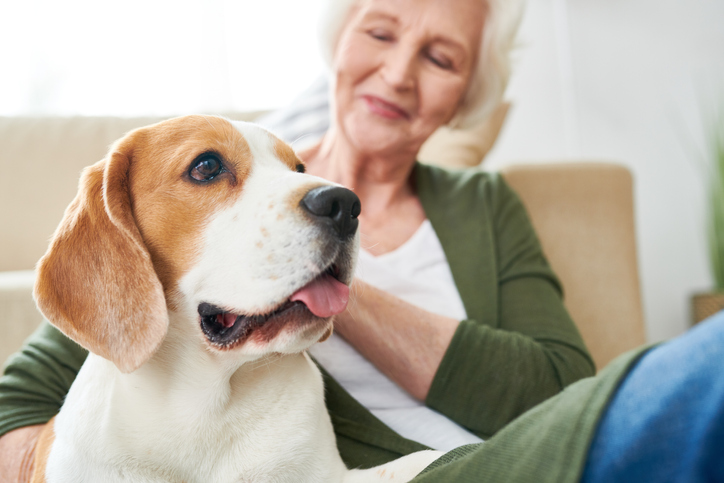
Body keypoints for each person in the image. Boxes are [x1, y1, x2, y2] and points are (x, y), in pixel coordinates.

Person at [0, 0, 602, 479]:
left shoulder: (485, 204)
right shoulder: (224, 170)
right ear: (338, 43)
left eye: (440, 59)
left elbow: (567, 398)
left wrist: (325, 277)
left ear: (466, 96)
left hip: (504, 457)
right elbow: (27, 399)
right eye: (381, 33)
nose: (397, 75)